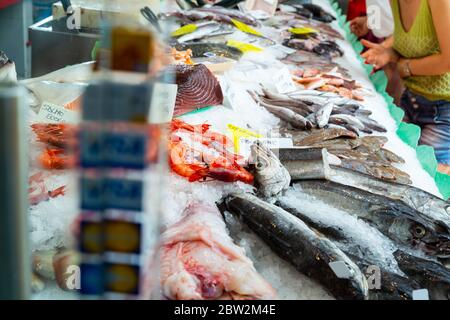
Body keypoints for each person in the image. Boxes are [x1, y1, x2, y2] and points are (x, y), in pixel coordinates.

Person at [361, 0, 450, 174]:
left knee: (427, 178)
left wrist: (405, 67)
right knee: (391, 166)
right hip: (410, 100)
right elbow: (411, 43)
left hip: (443, 110)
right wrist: (387, 52)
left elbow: (447, 61)